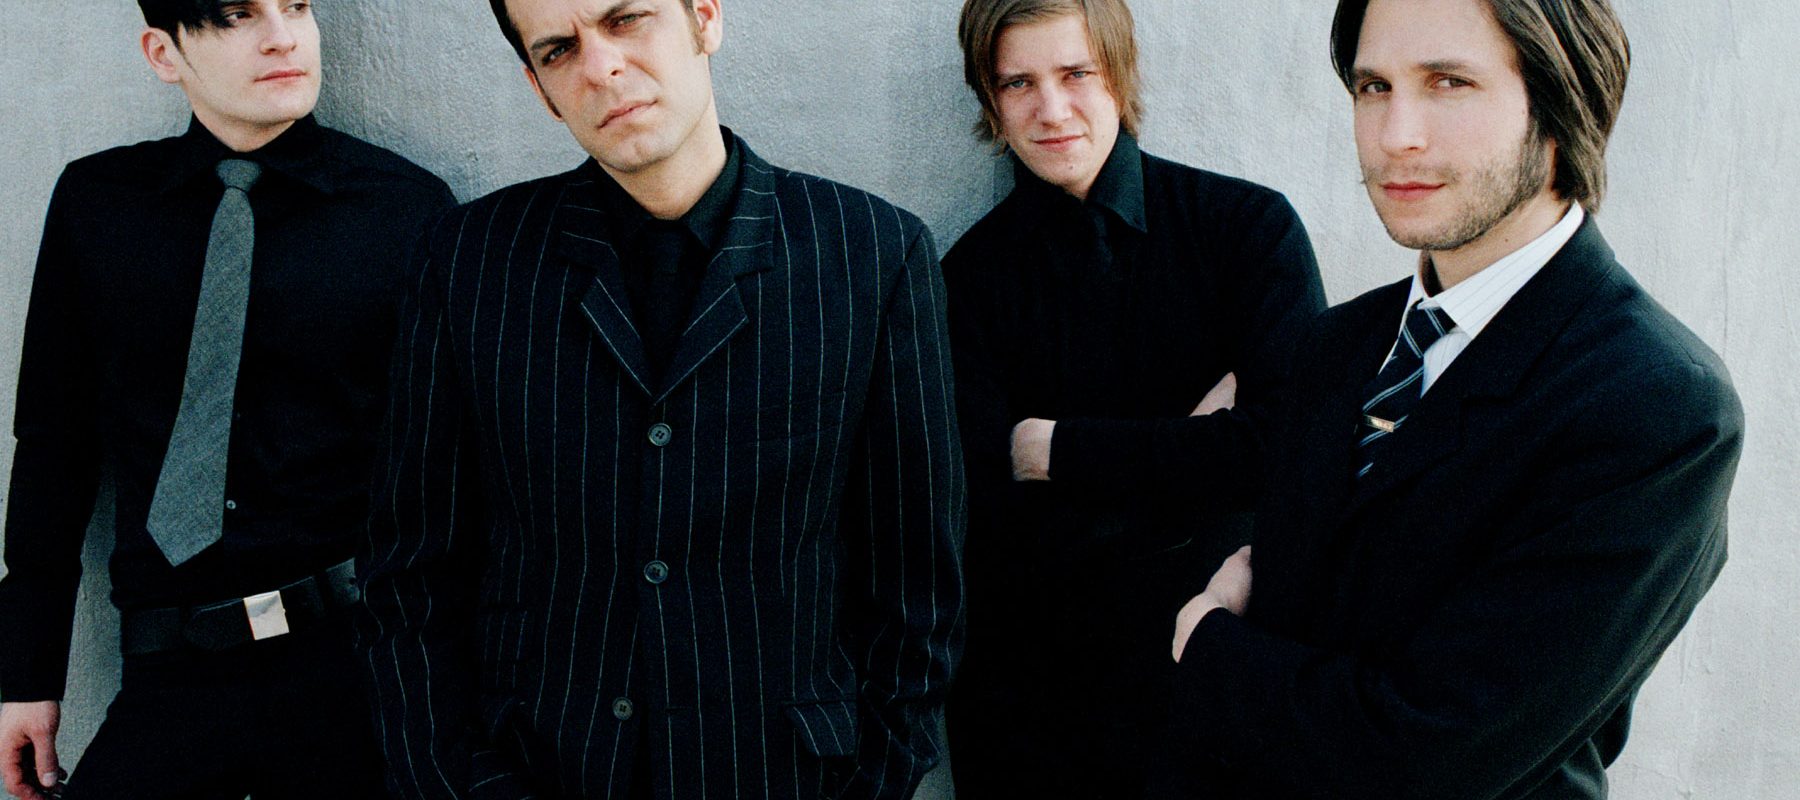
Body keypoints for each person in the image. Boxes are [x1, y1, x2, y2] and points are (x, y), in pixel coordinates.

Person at [355, 1, 965, 798]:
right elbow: (410, 576)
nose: (600, 67)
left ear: (704, 18)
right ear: (539, 87)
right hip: (538, 770)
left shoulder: (874, 255)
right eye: (558, 49)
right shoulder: (468, 262)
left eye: (627, 19)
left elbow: (918, 590)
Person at [1164, 0, 1744, 797]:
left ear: (1560, 98)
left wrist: (1208, 645)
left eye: (1449, 82)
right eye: (1373, 87)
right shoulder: (1336, 345)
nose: (1396, 134)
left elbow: (1428, 758)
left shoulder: (1659, 407)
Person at [0, 2, 455, 799]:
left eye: (297, 6)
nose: (283, 37)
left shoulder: (406, 210)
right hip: (168, 672)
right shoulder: (98, 204)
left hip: (349, 673)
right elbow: (53, 446)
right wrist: (27, 673)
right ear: (163, 53)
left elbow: (452, 469)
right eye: (236, 16)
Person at [942, 0, 1324, 796]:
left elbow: (1288, 456)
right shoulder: (966, 280)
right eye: (1018, 83)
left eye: (1076, 72)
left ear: (1119, 72)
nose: (1052, 110)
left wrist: (1055, 450)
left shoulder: (1245, 231)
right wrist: (1195, 447)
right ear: (990, 100)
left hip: (1217, 700)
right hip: (1034, 718)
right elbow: (983, 528)